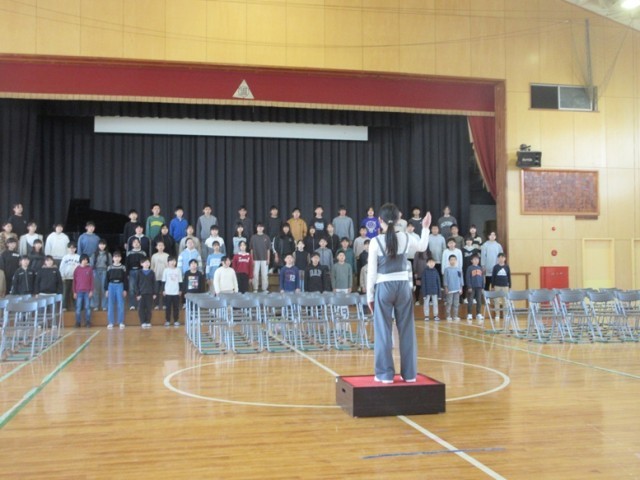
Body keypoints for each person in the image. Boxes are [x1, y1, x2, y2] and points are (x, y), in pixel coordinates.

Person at [366, 203, 430, 384]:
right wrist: (425, 228)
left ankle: (385, 375)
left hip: (383, 286)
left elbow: (371, 273)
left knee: (383, 331)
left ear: (380, 220)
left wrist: (370, 296)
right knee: (407, 330)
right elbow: (422, 246)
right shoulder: (406, 237)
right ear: (398, 219)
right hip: (403, 287)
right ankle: (409, 374)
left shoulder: (375, 241)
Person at [105, 251, 128, 329]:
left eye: (118, 257)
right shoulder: (109, 267)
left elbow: (125, 279)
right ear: (113, 258)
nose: (117, 259)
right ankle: (111, 322)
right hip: (111, 285)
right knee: (110, 304)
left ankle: (121, 322)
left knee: (120, 304)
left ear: (120, 258)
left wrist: (125, 289)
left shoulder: (123, 267)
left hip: (120, 285)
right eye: (115, 257)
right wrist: (106, 289)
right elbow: (106, 279)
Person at [126, 238, 147, 310]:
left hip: (140, 271)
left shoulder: (143, 253)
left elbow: (146, 263)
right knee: (131, 289)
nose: (136, 243)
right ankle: (132, 304)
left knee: (141, 288)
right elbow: (127, 264)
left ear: (139, 244)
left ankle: (140, 305)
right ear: (132, 244)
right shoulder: (129, 253)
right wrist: (127, 274)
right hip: (131, 271)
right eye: (134, 242)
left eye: (137, 242)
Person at [73, 254, 94, 328]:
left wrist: (91, 290)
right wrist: (74, 292)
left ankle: (88, 322)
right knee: (78, 307)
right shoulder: (77, 269)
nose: (85, 261)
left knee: (87, 307)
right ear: (81, 260)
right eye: (83, 259)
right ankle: (78, 322)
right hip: (79, 291)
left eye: (86, 260)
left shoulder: (90, 269)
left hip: (87, 291)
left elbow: (92, 281)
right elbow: (74, 281)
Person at [249, 223, 271, 292]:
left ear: (263, 228)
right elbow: (251, 249)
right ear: (256, 228)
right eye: (258, 227)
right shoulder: (253, 237)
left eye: (261, 227)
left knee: (264, 275)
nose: (260, 228)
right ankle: (255, 288)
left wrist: (268, 259)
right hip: (255, 259)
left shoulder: (266, 237)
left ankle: (264, 288)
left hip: (264, 259)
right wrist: (251, 259)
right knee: (255, 274)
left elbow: (268, 249)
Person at [136, 257, 156, 328]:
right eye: (145, 262)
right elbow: (136, 284)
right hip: (141, 294)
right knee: (141, 309)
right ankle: (143, 322)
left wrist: (154, 293)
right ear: (141, 264)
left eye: (148, 262)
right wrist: (138, 294)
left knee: (149, 308)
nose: (147, 264)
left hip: (149, 293)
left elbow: (154, 283)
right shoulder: (139, 272)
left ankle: (148, 321)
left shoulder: (152, 272)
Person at [91, 239, 111, 310]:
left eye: (103, 244)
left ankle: (104, 305)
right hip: (95, 271)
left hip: (105, 271)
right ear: (98, 245)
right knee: (95, 289)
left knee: (104, 288)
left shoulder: (108, 254)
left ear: (105, 245)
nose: (102, 246)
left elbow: (110, 265)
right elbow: (91, 265)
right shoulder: (94, 254)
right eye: (100, 244)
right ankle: (95, 305)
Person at [162, 256, 182, 326]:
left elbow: (180, 281)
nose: (172, 262)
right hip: (168, 292)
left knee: (176, 307)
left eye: (174, 261)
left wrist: (180, 290)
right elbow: (163, 281)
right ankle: (167, 320)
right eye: (171, 261)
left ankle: (176, 320)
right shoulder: (166, 270)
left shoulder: (178, 270)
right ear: (168, 262)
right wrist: (163, 290)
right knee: (168, 307)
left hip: (176, 292)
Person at [59, 241, 79, 310]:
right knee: (65, 292)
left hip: (75, 278)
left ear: (75, 249)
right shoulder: (65, 257)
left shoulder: (78, 257)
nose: (72, 249)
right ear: (68, 249)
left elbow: (80, 267)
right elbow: (61, 267)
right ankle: (64, 306)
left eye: (73, 248)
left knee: (75, 293)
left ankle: (76, 306)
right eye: (70, 248)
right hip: (66, 278)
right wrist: (62, 276)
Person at [442, 254, 463, 321]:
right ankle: (448, 316)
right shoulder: (446, 269)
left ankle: (455, 316)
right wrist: (446, 287)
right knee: (449, 302)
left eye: (454, 260)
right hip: (450, 289)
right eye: (451, 260)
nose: (453, 261)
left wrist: (461, 287)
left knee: (456, 303)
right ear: (449, 261)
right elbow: (445, 279)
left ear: (456, 261)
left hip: (457, 289)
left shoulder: (459, 269)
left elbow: (461, 279)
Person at [491, 253, 511, 320]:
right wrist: (492, 286)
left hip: (505, 286)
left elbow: (509, 276)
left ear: (505, 259)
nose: (501, 259)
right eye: (499, 257)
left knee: (505, 300)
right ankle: (497, 315)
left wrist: (510, 286)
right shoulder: (495, 267)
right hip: (497, 285)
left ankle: (505, 314)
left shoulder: (507, 267)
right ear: (498, 259)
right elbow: (493, 277)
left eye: (502, 257)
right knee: (497, 300)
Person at [465, 254, 484, 323]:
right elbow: (468, 278)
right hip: (472, 287)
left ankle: (478, 313)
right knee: (470, 300)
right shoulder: (469, 268)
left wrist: (482, 286)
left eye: (477, 259)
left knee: (479, 300)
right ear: (471, 260)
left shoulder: (480, 268)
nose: (476, 261)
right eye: (475, 259)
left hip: (479, 287)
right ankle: (469, 314)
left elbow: (482, 278)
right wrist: (469, 286)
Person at [151, 240, 169, 310]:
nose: (161, 247)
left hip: (165, 276)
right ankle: (156, 305)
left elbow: (169, 266)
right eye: (159, 245)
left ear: (164, 247)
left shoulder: (167, 255)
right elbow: (152, 266)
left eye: (162, 245)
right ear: (156, 247)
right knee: (156, 291)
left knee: (165, 291)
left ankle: (164, 304)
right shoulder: (154, 256)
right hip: (156, 276)